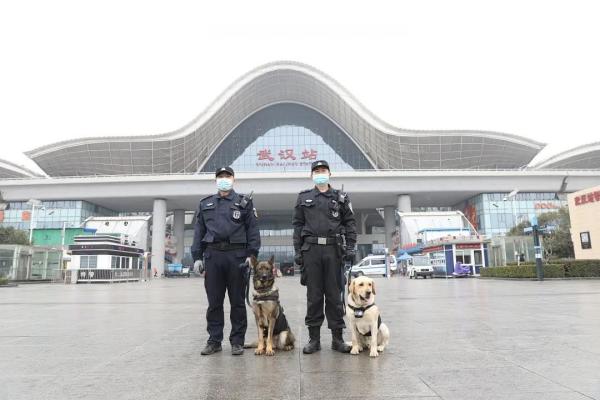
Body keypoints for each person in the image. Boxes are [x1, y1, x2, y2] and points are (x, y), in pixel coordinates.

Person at [191, 166, 260, 356]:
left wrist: (251, 255)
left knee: (237, 301)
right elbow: (199, 233)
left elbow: (253, 231)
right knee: (214, 302)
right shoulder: (205, 204)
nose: (224, 179)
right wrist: (197, 257)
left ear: (233, 179)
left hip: (236, 257)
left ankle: (237, 341)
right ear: (216, 180)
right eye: (220, 176)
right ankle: (214, 340)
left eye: (227, 176)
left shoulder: (244, 202)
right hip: (213, 257)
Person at [292, 160, 357, 354]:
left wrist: (352, 248)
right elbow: (297, 226)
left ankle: (338, 339)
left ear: (330, 173)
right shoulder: (303, 197)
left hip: (333, 250)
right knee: (314, 297)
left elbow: (350, 224)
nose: (320, 173)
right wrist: (297, 251)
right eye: (317, 171)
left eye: (323, 170)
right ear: (312, 175)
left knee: (335, 296)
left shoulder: (341, 198)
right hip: (311, 251)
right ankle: (314, 339)